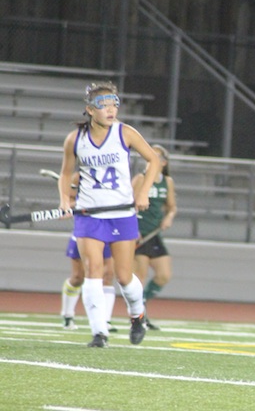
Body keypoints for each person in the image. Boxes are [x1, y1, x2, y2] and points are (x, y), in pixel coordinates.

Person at [58, 81, 161, 348]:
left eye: (114, 104)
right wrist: (63, 201)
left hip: (121, 212)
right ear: (90, 110)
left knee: (124, 277)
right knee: (93, 270)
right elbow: (66, 173)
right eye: (104, 105)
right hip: (89, 213)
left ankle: (137, 314)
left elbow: (155, 160)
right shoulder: (75, 139)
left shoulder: (125, 133)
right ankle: (98, 332)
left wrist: (143, 192)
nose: (111, 109)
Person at [60, 173, 117, 332]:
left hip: (107, 228)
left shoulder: (115, 171)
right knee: (78, 277)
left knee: (108, 275)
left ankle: (105, 320)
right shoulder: (79, 177)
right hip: (86, 230)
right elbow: (69, 199)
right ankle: (67, 314)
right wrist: (75, 204)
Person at [132, 144, 177, 331]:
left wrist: (168, 217)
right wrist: (132, 229)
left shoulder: (167, 182)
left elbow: (172, 207)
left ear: (163, 163)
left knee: (164, 275)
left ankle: (141, 305)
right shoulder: (140, 179)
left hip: (154, 234)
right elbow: (129, 206)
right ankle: (138, 316)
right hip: (139, 233)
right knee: (139, 278)